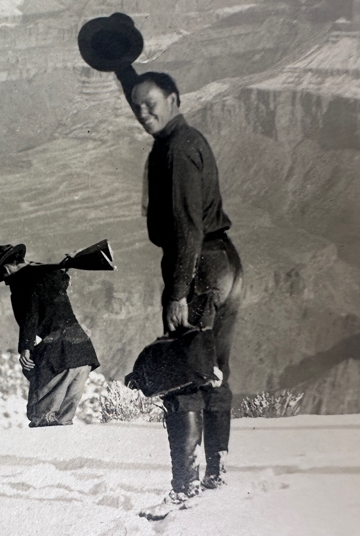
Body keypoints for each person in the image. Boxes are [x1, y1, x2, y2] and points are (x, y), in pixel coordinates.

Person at [128, 71, 244, 502]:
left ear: (174, 99)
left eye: (151, 103)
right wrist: (124, 66)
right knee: (214, 368)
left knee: (181, 371)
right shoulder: (188, 137)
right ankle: (215, 472)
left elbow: (187, 229)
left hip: (196, 267)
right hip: (226, 264)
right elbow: (144, 93)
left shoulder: (175, 151)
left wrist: (178, 291)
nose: (143, 113)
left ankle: (184, 487)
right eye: (137, 105)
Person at [0, 243, 102, 427]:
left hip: (60, 353)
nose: (6, 281)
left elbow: (30, 315)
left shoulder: (21, 282)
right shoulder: (49, 272)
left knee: (41, 417)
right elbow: (62, 281)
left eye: (3, 276)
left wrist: (25, 348)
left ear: (6, 268)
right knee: (63, 421)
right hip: (82, 354)